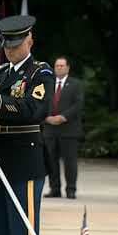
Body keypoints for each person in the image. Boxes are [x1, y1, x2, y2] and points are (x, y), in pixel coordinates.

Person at [0, 15, 54, 235]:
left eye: (16, 45)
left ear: (30, 40)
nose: (10, 51)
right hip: (0, 162)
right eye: (7, 45)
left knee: (23, 233)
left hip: (25, 162)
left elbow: (33, 109)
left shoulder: (40, 73)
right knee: (4, 233)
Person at [43, 56, 84, 199]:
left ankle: (71, 189)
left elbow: (78, 105)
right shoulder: (48, 84)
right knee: (51, 161)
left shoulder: (75, 85)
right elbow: (42, 102)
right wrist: (47, 117)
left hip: (68, 129)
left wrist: (62, 117)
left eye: (62, 66)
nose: (59, 68)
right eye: (57, 66)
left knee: (70, 162)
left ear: (67, 68)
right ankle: (55, 189)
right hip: (50, 129)